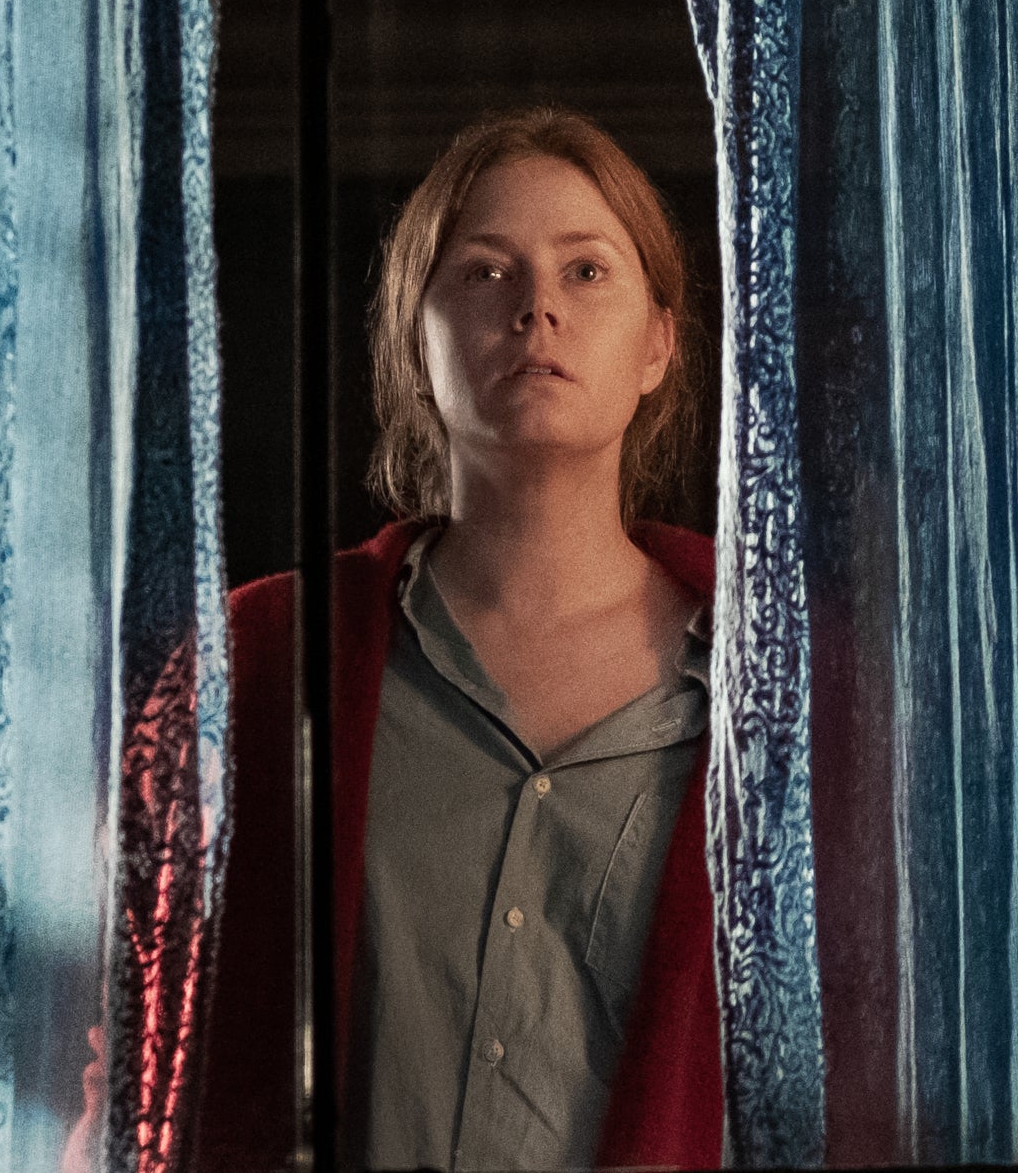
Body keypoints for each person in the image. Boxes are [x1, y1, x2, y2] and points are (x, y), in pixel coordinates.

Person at [196, 106, 725, 1172]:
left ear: (658, 345)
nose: (536, 308)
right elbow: (139, 1036)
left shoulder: (782, 690)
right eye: (485, 272)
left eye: (586, 271)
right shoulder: (259, 660)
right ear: (415, 342)